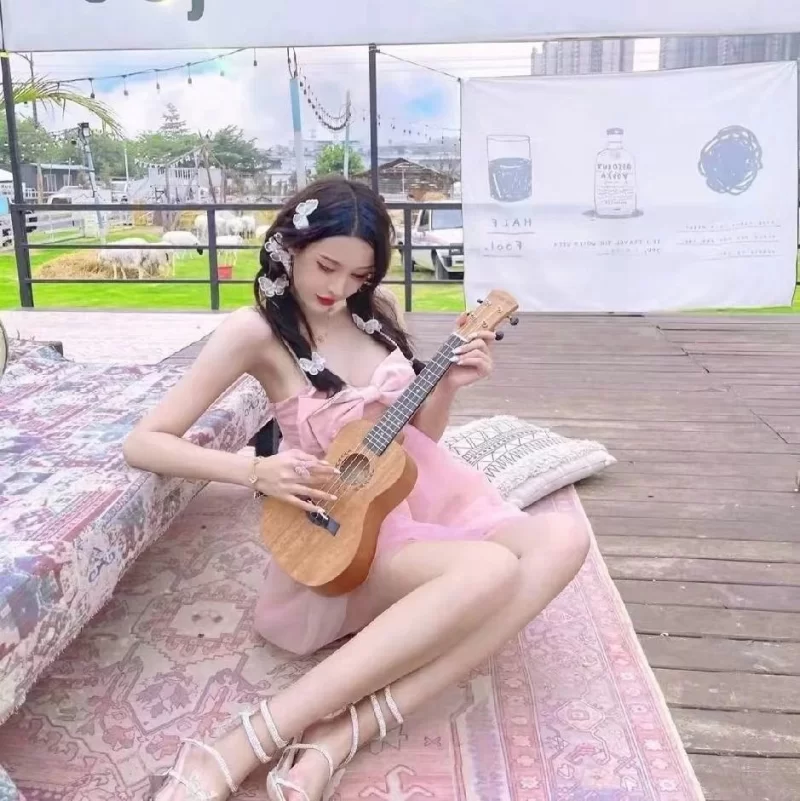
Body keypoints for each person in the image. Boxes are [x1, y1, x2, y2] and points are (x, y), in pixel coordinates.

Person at [123, 177, 590, 801]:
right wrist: (255, 471)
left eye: (359, 275)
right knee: (490, 571)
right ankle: (241, 743)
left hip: (419, 495)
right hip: (341, 528)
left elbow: (413, 440)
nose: (338, 288)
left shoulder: (376, 314)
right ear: (290, 244)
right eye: (326, 266)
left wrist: (447, 388)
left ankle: (341, 734)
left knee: (564, 538)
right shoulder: (255, 331)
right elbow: (145, 442)